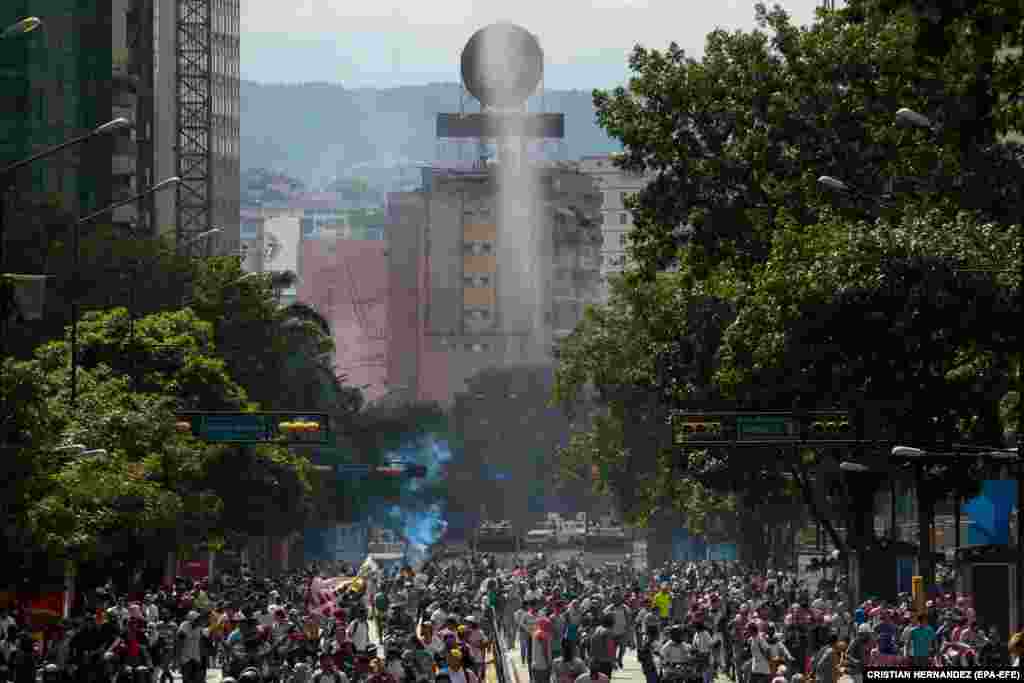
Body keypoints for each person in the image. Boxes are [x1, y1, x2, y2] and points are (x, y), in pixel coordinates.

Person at [532, 617, 555, 683]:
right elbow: (545, 650)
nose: (549, 626)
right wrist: (549, 664)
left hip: (535, 665)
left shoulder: (536, 633)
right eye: (547, 625)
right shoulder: (543, 635)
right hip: (543, 666)